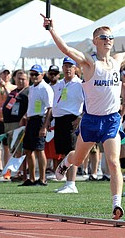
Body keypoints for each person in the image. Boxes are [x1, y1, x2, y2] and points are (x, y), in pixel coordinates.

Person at [42, 3, 125, 220]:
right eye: (104, 37)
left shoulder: (118, 60)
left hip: (112, 120)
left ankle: (117, 204)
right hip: (90, 120)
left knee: (114, 161)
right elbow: (67, 49)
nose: (108, 40)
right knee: (77, 160)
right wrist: (51, 29)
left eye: (111, 37)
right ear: (95, 41)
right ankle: (66, 163)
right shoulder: (88, 64)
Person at [47, 58, 84, 193]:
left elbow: (88, 102)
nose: (68, 69)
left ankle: (72, 183)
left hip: (71, 118)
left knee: (71, 151)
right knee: (63, 152)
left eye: (70, 66)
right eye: (65, 66)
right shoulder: (59, 84)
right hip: (59, 120)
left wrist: (80, 118)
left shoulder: (79, 84)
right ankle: (67, 182)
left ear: (75, 69)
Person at [18, 64, 53, 186]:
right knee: (28, 149)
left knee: (39, 149)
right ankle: (32, 178)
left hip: (40, 119)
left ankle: (42, 179)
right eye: (32, 74)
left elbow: (50, 108)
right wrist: (26, 117)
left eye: (36, 74)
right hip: (31, 119)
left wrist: (44, 126)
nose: (34, 77)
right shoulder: (32, 88)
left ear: (42, 75)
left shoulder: (45, 88)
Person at [2, 71, 29, 180]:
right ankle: (18, 171)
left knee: (20, 148)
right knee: (13, 149)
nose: (21, 81)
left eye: (23, 79)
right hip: (9, 124)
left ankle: (22, 172)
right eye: (19, 78)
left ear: (27, 80)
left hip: (19, 124)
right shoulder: (13, 92)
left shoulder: (28, 92)